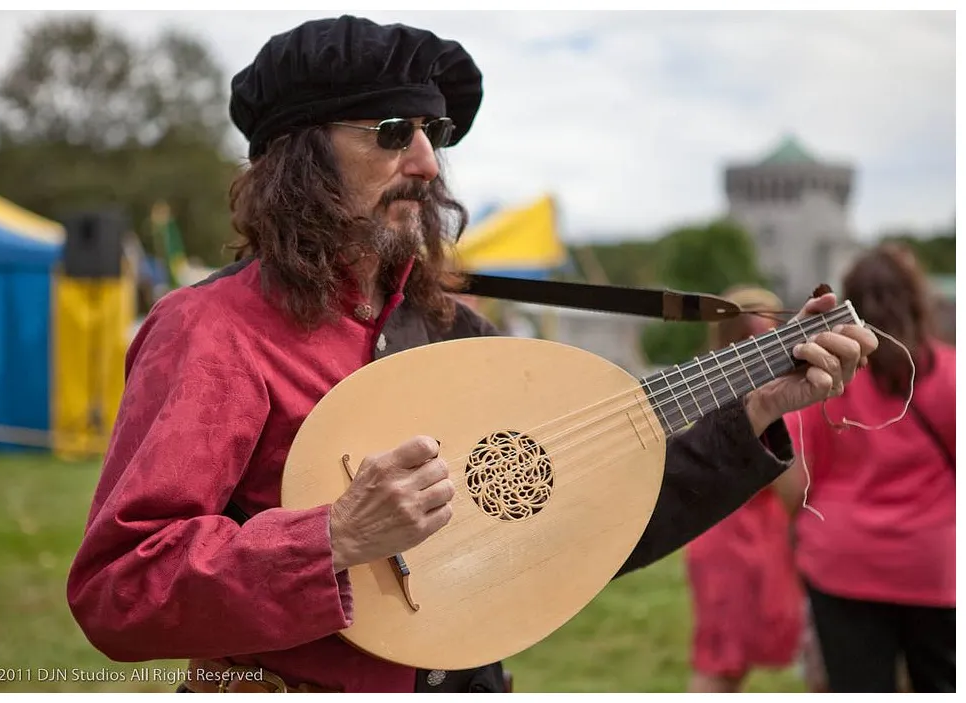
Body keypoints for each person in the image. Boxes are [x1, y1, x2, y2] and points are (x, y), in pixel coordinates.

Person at [65, 15, 877, 694]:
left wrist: (755, 411)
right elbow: (118, 589)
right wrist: (330, 537)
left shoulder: (452, 328)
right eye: (391, 132)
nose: (425, 161)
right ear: (297, 158)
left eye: (433, 132)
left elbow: (582, 523)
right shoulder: (210, 332)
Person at [778, 244, 955, 693]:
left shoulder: (822, 381)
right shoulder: (954, 375)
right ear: (919, 299)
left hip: (842, 563)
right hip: (937, 566)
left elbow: (792, 482)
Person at [684, 286, 805, 693]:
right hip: (736, 538)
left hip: (734, 534)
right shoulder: (760, 399)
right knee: (722, 664)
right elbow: (792, 486)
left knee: (728, 657)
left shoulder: (697, 387)